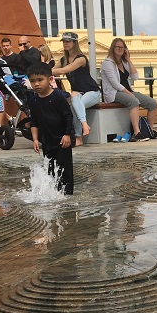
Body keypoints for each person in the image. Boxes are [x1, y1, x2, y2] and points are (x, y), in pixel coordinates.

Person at [100, 38, 157, 142]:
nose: (120, 49)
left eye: (122, 47)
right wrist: (130, 94)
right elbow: (115, 84)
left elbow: (135, 77)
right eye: (118, 47)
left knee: (152, 103)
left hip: (127, 91)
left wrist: (128, 59)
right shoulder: (108, 63)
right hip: (114, 93)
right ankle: (137, 132)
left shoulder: (124, 62)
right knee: (134, 102)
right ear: (113, 48)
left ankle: (150, 131)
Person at [27, 63, 75, 195]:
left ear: (50, 79)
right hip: (47, 141)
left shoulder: (58, 97)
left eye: (40, 80)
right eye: (32, 81)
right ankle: (53, 193)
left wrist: (67, 134)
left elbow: (68, 116)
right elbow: (34, 122)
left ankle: (67, 194)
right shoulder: (34, 101)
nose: (36, 84)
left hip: (62, 141)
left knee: (64, 170)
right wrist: (35, 139)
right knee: (50, 169)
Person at [51, 32, 102, 147]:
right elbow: (54, 69)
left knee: (76, 105)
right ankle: (82, 128)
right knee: (75, 99)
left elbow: (65, 70)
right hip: (77, 93)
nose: (65, 44)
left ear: (75, 43)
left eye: (68, 41)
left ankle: (79, 135)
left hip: (92, 92)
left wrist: (45, 71)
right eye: (64, 41)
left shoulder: (81, 59)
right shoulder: (64, 59)